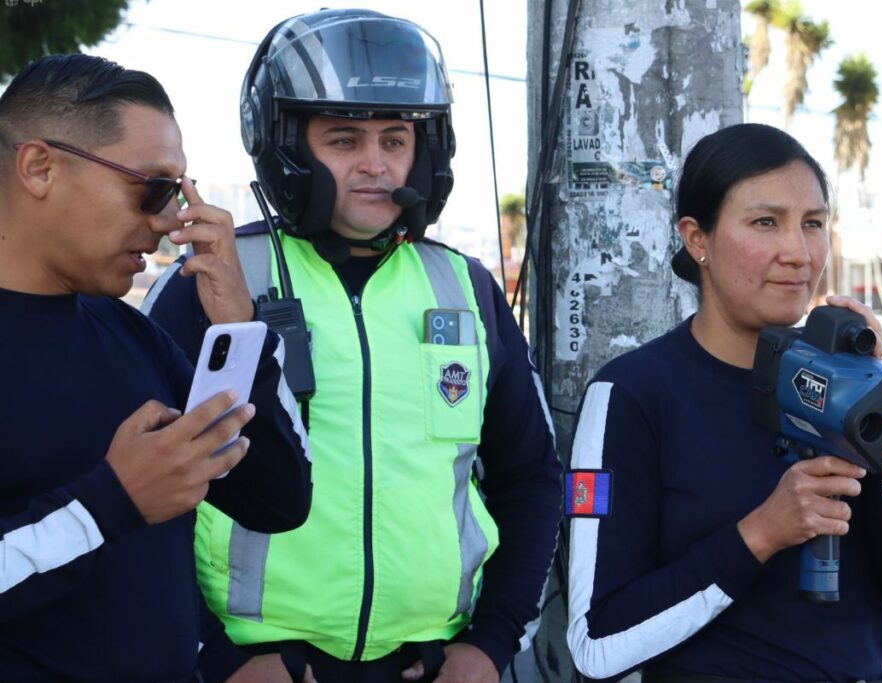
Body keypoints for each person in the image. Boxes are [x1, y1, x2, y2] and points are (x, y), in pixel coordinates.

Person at [144, 9, 562, 683]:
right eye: (343, 140)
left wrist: (493, 640)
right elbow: (144, 492)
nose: (375, 165)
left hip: (430, 663)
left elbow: (532, 474)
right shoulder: (213, 279)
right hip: (260, 665)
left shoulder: (463, 286)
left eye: (395, 140)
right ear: (287, 146)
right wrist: (214, 653)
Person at [564, 123, 882, 682]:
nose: (798, 253)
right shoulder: (634, 394)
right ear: (697, 239)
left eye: (813, 224)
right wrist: (762, 534)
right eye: (765, 223)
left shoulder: (853, 383)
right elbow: (597, 643)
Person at [0, 54, 314, 681]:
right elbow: (114, 514)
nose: (172, 221)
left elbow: (278, 501)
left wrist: (238, 331)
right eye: (153, 189)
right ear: (39, 167)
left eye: (179, 193)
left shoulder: (132, 336)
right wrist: (109, 503)